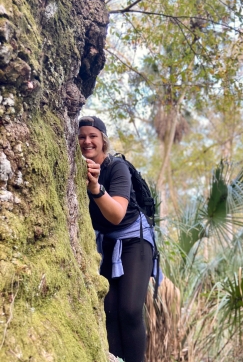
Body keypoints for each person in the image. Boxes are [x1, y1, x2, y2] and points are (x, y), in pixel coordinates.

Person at [78, 116, 159, 362]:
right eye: (81, 136)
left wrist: (96, 189)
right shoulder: (74, 170)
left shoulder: (116, 167)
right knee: (109, 311)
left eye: (93, 136)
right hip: (106, 244)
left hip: (135, 240)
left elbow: (116, 215)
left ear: (103, 140)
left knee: (130, 310)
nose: (87, 141)